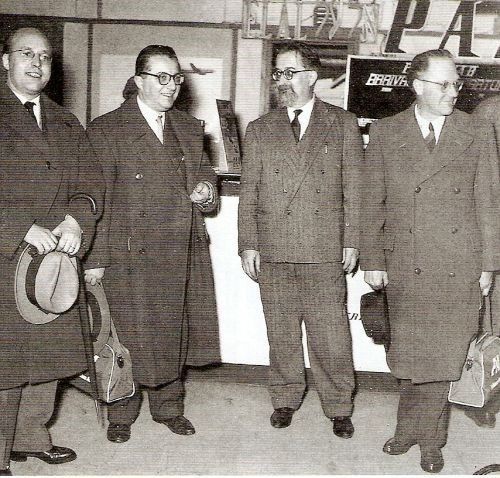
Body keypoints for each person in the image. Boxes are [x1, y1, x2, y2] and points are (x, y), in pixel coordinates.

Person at [360, 49, 500, 473]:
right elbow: (373, 202)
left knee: (442, 359)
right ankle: (408, 428)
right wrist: (372, 258)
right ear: (417, 86)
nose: (453, 92)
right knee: (407, 357)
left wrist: (489, 264)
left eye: (456, 83)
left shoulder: (476, 130)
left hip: (459, 263)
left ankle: (429, 441)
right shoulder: (386, 132)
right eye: (444, 84)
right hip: (405, 262)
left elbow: (489, 200)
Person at [84, 44, 220, 444]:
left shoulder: (188, 127)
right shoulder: (107, 129)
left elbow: (206, 173)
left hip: (180, 248)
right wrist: (95, 258)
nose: (171, 85)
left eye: (176, 77)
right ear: (138, 81)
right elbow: (97, 198)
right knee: (127, 334)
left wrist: (206, 189)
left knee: (173, 332)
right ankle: (121, 413)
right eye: (161, 77)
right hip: (129, 252)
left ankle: (169, 409)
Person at [238, 41, 363, 438]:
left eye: (289, 73)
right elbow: (249, 193)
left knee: (331, 336)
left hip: (324, 248)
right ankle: (285, 398)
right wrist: (248, 243)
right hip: (274, 248)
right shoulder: (259, 129)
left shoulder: (342, 123)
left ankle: (339, 405)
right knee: (282, 333)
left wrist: (352, 239)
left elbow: (354, 189)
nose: (282, 81)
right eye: (278, 73)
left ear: (312, 76)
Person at [0, 27, 103, 475]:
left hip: (53, 263)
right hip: (5, 256)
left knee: (48, 354)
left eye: (44, 56)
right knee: (5, 363)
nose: (37, 63)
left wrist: (77, 220)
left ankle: (30, 437)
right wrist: (20, 228)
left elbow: (91, 183)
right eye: (26, 53)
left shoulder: (66, 121)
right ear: (5, 61)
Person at [464, 94, 500, 429]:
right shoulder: (491, 111)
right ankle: (485, 398)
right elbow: (479, 181)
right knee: (492, 326)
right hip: (495, 234)